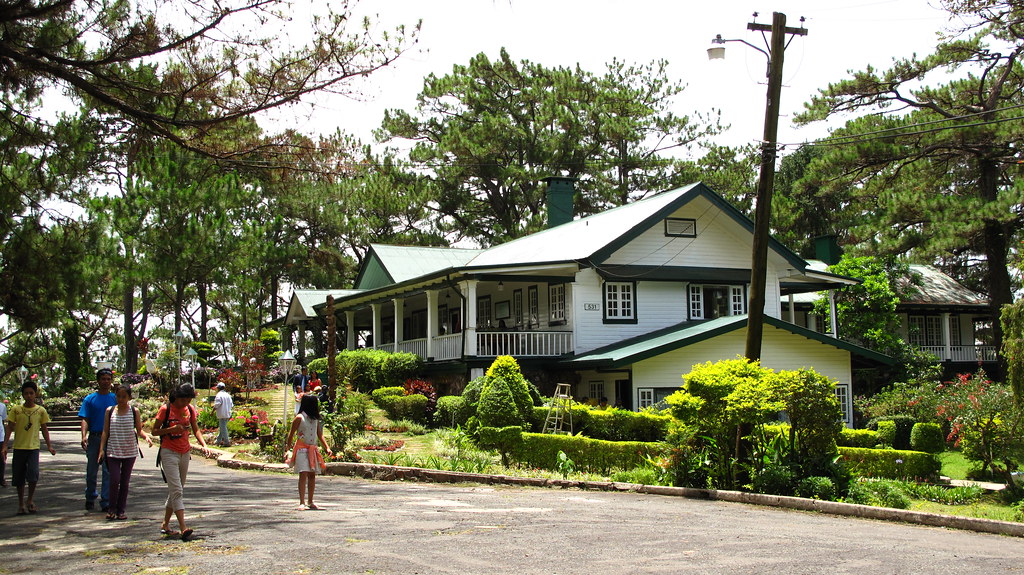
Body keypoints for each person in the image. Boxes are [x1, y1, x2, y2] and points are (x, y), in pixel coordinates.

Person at [152, 384, 210, 541]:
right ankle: (183, 527)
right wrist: (171, 429)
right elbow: (154, 431)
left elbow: (195, 428)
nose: (186, 402)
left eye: (188, 399)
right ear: (176, 397)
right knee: (177, 490)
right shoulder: (166, 409)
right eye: (183, 399)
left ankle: (165, 524)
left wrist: (203, 445)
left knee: (176, 489)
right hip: (168, 452)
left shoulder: (189, 409)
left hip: (185, 452)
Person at [98, 384, 153, 520]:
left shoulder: (134, 411)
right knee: (114, 480)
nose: (121, 399)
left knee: (124, 482)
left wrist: (146, 437)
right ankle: (111, 509)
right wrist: (101, 449)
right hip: (113, 450)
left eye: (124, 396)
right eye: (118, 396)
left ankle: (121, 510)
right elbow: (105, 431)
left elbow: (139, 430)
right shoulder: (109, 411)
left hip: (129, 451)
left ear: (129, 397)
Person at [2, 382, 56, 515]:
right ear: (23, 395)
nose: (29, 396)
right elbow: (9, 427)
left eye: (31, 393)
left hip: (33, 448)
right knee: (19, 477)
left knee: (33, 475)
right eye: (26, 393)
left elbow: (44, 428)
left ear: (35, 394)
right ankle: (20, 503)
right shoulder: (16, 410)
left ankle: (30, 500)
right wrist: (4, 445)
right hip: (19, 447)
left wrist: (49, 445)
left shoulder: (40, 411)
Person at [78, 368, 117, 512]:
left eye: (108, 379)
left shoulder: (115, 398)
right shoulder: (90, 399)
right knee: (92, 470)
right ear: (98, 381)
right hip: (94, 437)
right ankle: (90, 497)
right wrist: (83, 436)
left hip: (111, 438)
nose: (106, 382)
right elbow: (85, 419)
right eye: (103, 379)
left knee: (108, 471)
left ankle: (106, 500)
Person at [285, 395, 332, 510]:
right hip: (302, 449)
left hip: (312, 449)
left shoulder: (315, 419)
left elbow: (319, 434)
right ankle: (302, 502)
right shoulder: (299, 418)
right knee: (303, 473)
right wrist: (287, 449)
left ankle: (310, 501)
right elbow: (291, 434)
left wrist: (327, 447)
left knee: (312, 475)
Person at [212, 383, 234, 447]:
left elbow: (217, 405)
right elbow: (231, 405)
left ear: (218, 388)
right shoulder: (228, 395)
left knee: (223, 428)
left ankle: (226, 442)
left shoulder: (219, 395)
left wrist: (212, 411)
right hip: (228, 413)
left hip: (222, 414)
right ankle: (218, 440)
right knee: (223, 427)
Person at [0, 399, 7, 487]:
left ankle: (1, 478)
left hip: (0, 437)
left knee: (1, 459)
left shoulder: (2, 406)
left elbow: (3, 421)